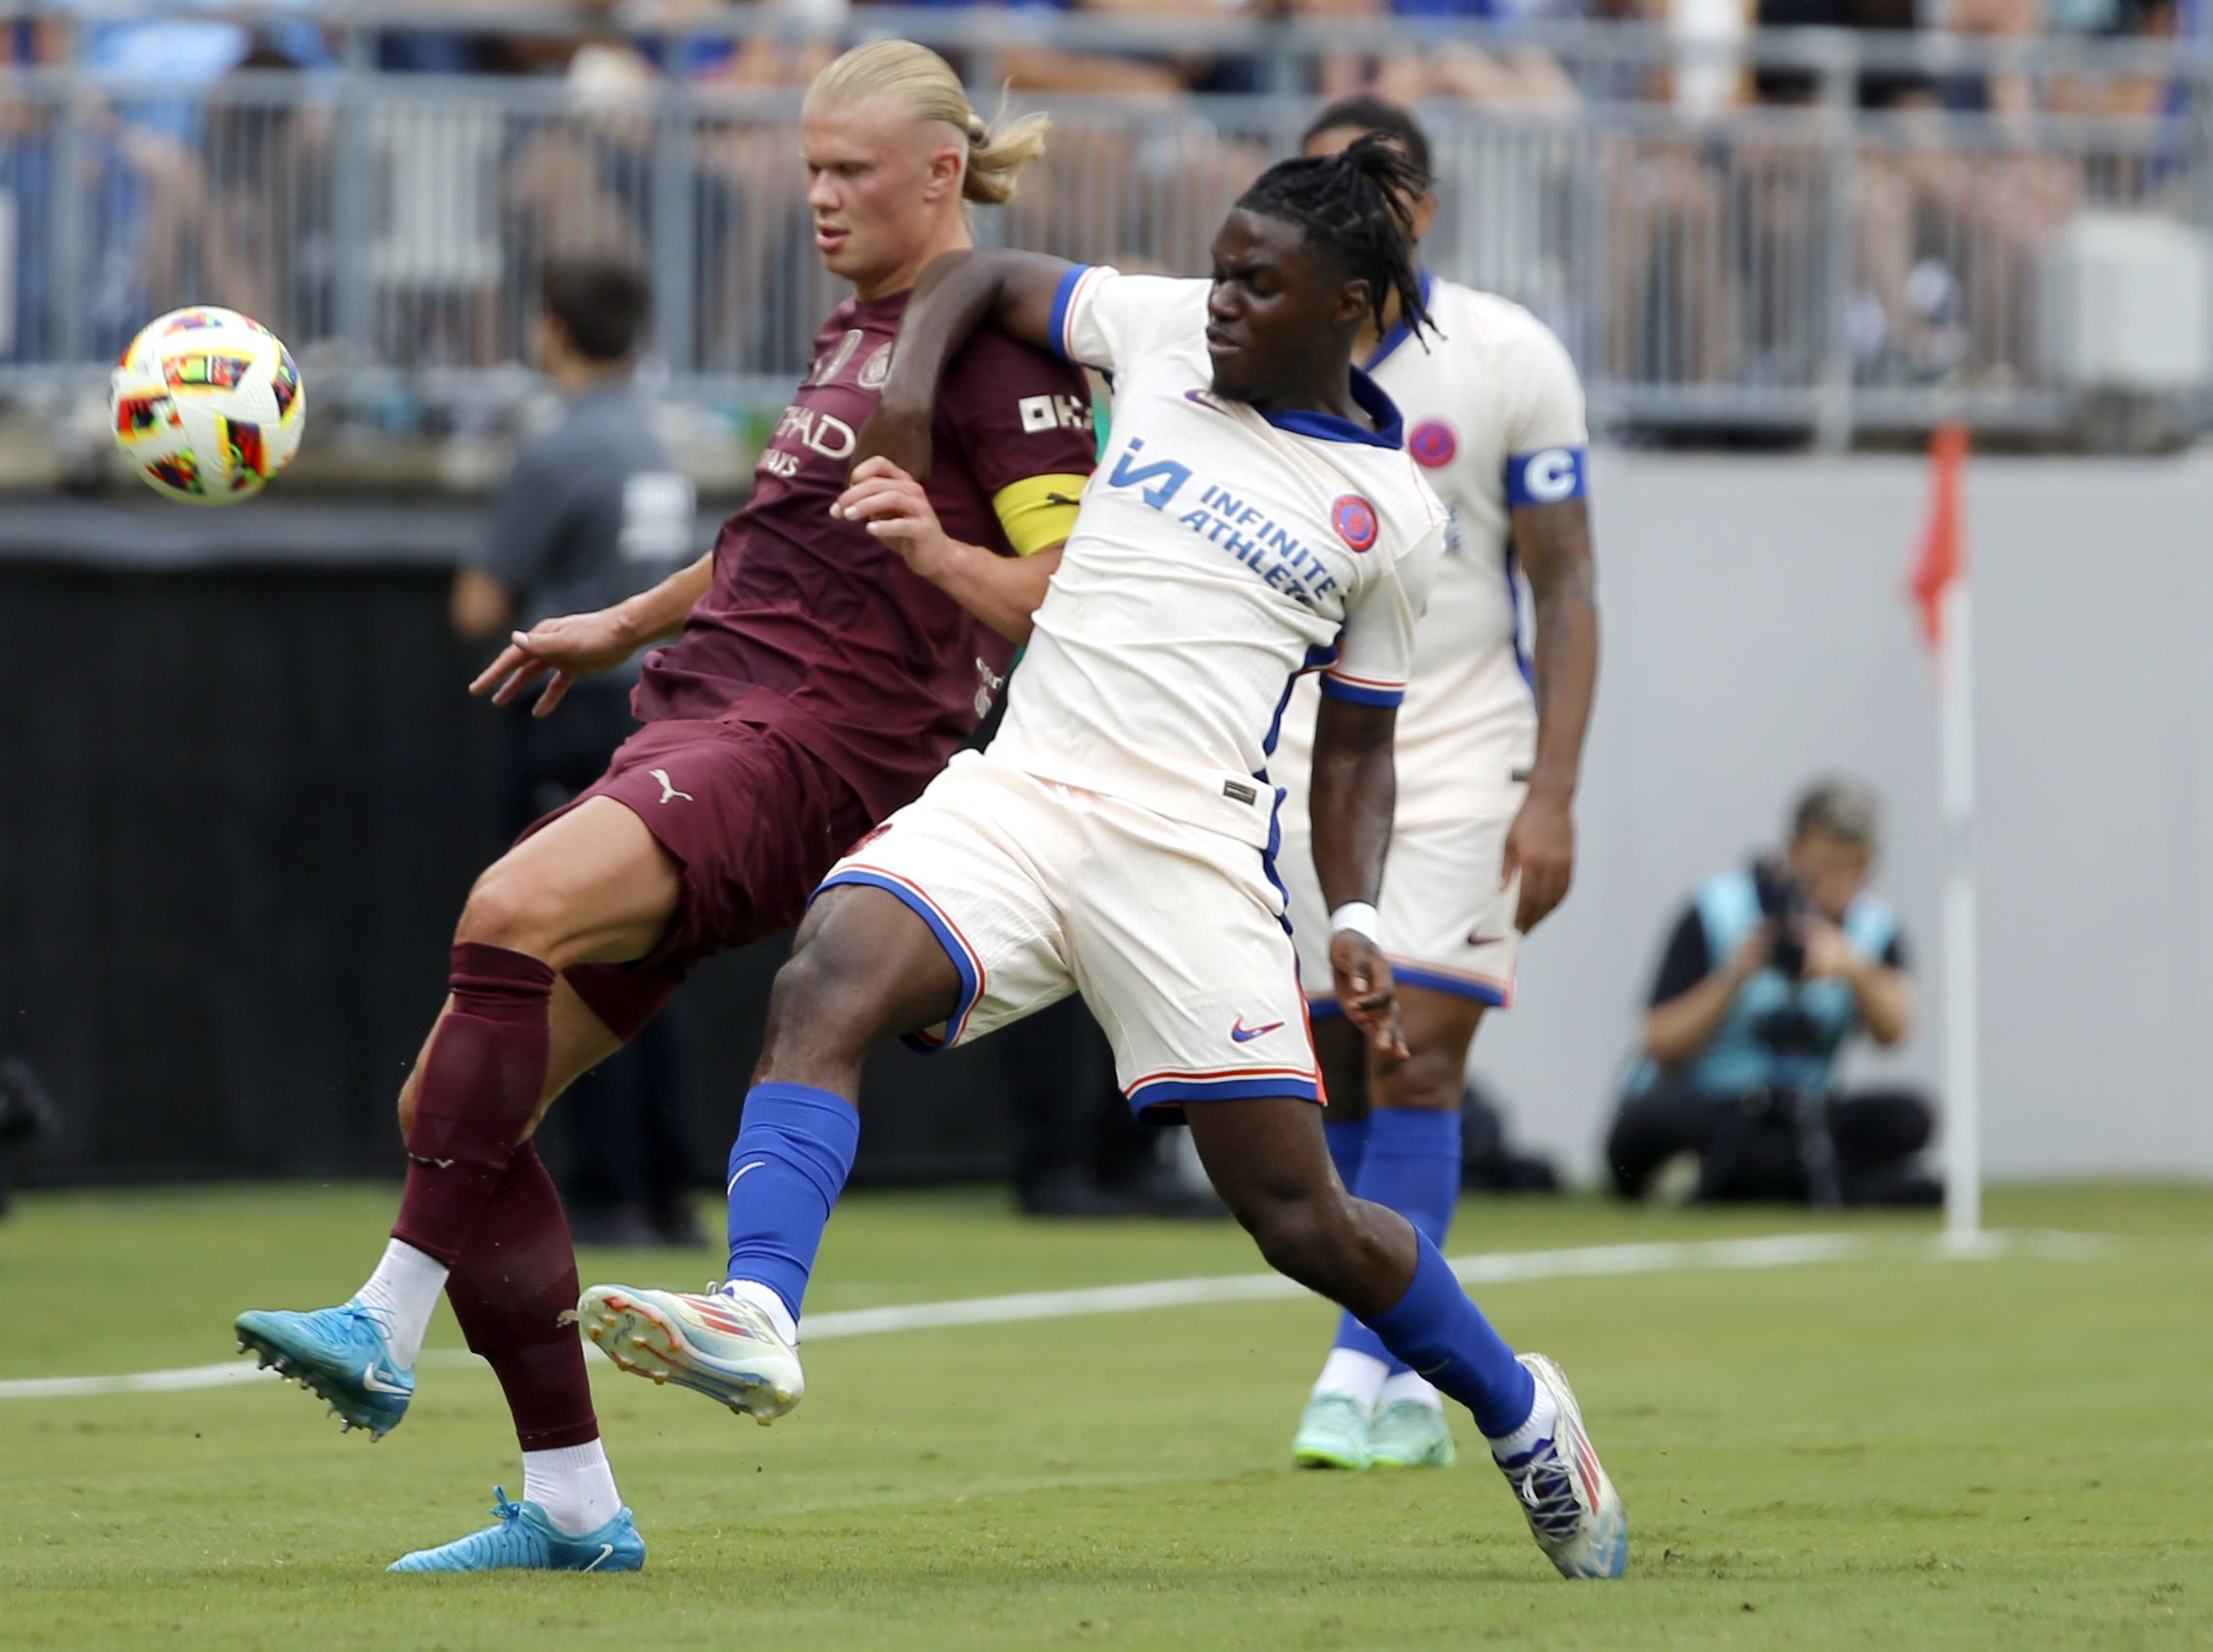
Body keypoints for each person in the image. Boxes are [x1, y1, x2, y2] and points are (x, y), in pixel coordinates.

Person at [577, 138, 1629, 1581]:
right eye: (1221, 270)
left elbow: (1354, 748)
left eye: (1258, 285)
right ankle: (757, 1310)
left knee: (1299, 1217)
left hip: (1188, 857)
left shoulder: (1392, 513)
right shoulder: (1157, 326)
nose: (1222, 300)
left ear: (1345, 306)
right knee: (826, 972)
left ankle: (1520, 1412)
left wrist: (1354, 912)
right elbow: (981, 275)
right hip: (1021, 790)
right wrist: (904, 391)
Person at [231, 41, 1101, 1575]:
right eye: (808, 167)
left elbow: (1068, 591)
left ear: (941, 173)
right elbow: (777, 533)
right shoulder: (866, 325)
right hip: (711, 711)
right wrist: (621, 624)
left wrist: (938, 561)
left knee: (507, 907)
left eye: (849, 171)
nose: (817, 196)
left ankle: (383, 1315)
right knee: (450, 1112)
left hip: (815, 741)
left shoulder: (999, 355)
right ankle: (573, 1501)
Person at [1263, 98, 1600, 1478]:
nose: (1354, 201)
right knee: (1335, 1055)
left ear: (1426, 207)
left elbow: (1564, 583)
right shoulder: (1258, 350)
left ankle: (1354, 1365)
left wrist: (1553, 792)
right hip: (1306, 755)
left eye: (1379, 181)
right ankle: (1405, 1369)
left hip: (1466, 744)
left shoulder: (1509, 355)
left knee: (1419, 1047)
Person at [449, 255, 705, 1247]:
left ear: (552, 326)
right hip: (660, 718)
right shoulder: (661, 436)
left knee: (557, 948)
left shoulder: (557, 448)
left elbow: (479, 604)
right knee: (649, 951)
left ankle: (603, 1190)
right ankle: (668, 1189)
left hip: (573, 712)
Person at [1604, 780, 1938, 1206]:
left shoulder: (1873, 930)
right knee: (1645, 1121)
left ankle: (1726, 1179)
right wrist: (1733, 978)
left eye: (1852, 868)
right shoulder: (1716, 909)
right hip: (1712, 1105)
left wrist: (1853, 968)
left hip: (1803, 1115)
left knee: (1910, 1117)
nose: (1836, 884)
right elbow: (1658, 1044)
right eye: (1824, 867)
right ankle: (1843, 1185)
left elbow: (1895, 1032)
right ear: (1792, 853)